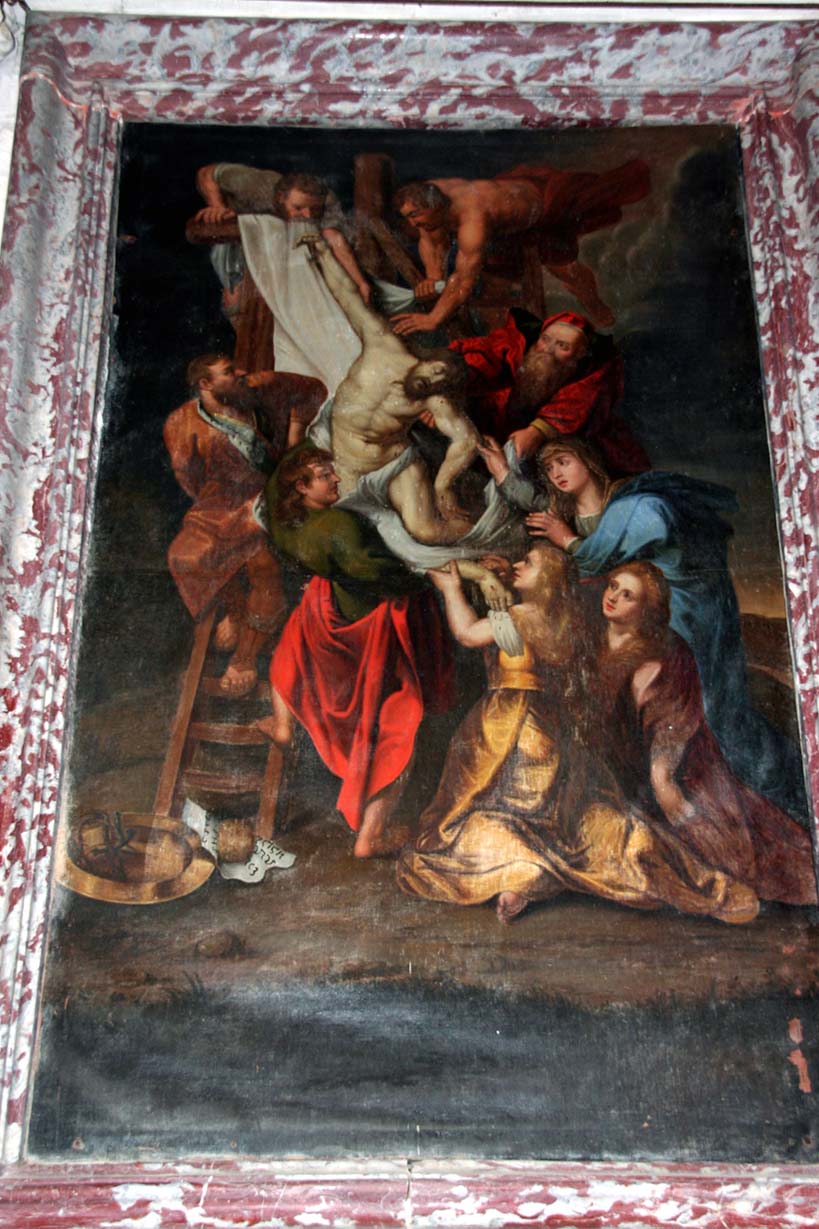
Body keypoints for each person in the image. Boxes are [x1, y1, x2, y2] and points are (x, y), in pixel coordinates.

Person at [396, 545, 760, 926]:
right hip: (551, 735)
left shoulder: (522, 616)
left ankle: (527, 875)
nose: (518, 565)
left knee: (480, 829)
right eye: (613, 587)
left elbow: (468, 633)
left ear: (547, 581)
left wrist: (451, 588)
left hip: (510, 728)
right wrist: (498, 577)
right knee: (592, 830)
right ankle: (704, 887)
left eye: (528, 563)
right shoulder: (566, 624)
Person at [492, 434, 808, 819]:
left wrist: (569, 542)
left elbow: (599, 554)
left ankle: (783, 790)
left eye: (564, 461)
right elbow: (550, 520)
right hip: (648, 624)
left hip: (686, 614)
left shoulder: (634, 504)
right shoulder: (573, 514)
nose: (557, 472)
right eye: (549, 468)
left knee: (713, 713)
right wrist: (504, 474)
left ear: (588, 460)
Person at [263, 446, 454, 858]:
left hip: (326, 630)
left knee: (298, 625)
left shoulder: (287, 529)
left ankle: (281, 723)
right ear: (301, 487)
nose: (335, 478)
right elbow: (380, 573)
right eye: (324, 475)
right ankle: (371, 835)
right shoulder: (339, 524)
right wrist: (424, 577)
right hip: (368, 636)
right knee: (399, 722)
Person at [595, 562, 817, 906]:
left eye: (628, 596)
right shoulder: (593, 638)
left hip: (684, 765)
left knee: (731, 847)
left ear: (645, 610)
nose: (614, 597)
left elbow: (670, 730)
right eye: (613, 586)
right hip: (621, 762)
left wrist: (662, 779)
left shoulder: (666, 657)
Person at [164, 353, 326, 696]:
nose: (240, 373)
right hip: (220, 504)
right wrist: (219, 499)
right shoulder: (181, 423)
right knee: (184, 557)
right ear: (205, 384)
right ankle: (237, 612)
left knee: (262, 567)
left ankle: (245, 658)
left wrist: (295, 431)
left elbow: (314, 390)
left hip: (272, 493)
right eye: (228, 372)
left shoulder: (259, 387)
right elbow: (189, 478)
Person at [389, 160, 650, 336]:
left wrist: (433, 319)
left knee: (565, 270)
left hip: (544, 209)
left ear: (435, 207)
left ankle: (595, 304)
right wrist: (433, 276)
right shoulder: (426, 196)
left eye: (415, 216)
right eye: (408, 217)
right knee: (494, 283)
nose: (413, 224)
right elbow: (429, 238)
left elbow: (462, 281)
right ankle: (508, 340)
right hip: (505, 228)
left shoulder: (473, 219)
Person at [452, 307, 650, 470]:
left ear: (579, 354)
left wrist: (537, 431)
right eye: (545, 339)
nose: (548, 350)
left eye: (562, 346)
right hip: (494, 438)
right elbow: (485, 356)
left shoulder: (593, 374)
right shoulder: (518, 349)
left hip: (552, 448)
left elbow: (576, 403)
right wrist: (452, 378)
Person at [194, 164, 372, 303]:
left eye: (314, 210)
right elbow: (207, 173)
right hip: (241, 242)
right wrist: (217, 205)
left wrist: (361, 283)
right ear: (280, 197)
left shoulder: (327, 201)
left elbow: (334, 238)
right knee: (236, 297)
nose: (307, 215)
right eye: (298, 207)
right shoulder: (256, 185)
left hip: (286, 252)